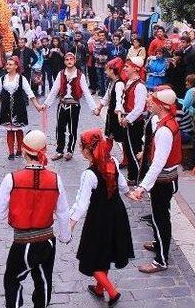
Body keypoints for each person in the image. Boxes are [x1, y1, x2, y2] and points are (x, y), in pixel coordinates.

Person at [0, 130, 71, 308]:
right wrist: (65, 236)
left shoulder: (11, 179)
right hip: (47, 241)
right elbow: (63, 212)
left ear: (23, 151)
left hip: (22, 241)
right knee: (43, 282)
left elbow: (0, 212)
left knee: (12, 280)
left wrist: (17, 216)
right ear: (44, 150)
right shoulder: (55, 179)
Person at [69, 128, 134, 306]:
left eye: (81, 147)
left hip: (99, 218)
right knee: (104, 252)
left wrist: (71, 223)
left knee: (91, 257)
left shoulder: (89, 174)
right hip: (117, 213)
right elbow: (122, 185)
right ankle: (99, 288)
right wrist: (130, 194)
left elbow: (81, 204)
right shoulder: (112, 161)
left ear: (87, 150)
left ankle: (112, 292)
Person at [131, 86, 181, 273]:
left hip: (163, 181)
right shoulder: (165, 123)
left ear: (162, 105)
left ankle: (161, 260)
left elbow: (158, 163)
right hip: (166, 178)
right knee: (160, 216)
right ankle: (158, 243)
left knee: (160, 218)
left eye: (153, 102)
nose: (150, 103)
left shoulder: (164, 130)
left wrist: (142, 187)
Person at [42, 52, 97, 161]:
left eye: (71, 59)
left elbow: (86, 92)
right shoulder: (61, 74)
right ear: (64, 62)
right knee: (60, 128)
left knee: (72, 129)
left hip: (74, 105)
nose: (69, 61)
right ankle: (59, 150)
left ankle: (70, 150)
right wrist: (46, 104)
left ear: (74, 61)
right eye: (67, 60)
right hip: (62, 104)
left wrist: (94, 108)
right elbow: (54, 90)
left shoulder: (80, 75)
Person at [0, 57, 42, 160]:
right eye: (7, 64)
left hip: (19, 107)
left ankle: (19, 150)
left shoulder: (21, 79)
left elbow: (30, 93)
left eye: (10, 64)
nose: (8, 66)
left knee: (19, 130)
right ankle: (11, 152)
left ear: (16, 66)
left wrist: (37, 105)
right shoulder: (3, 79)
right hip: (6, 108)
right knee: (9, 130)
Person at [120, 57, 148, 185]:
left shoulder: (140, 86)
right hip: (129, 120)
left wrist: (128, 119)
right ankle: (133, 174)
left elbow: (139, 108)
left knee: (134, 149)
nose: (125, 68)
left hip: (135, 123)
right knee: (129, 148)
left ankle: (137, 175)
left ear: (135, 68)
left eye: (127, 66)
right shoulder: (129, 82)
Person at [94, 58, 125, 145]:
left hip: (117, 116)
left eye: (106, 70)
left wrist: (119, 115)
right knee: (109, 137)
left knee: (121, 139)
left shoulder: (119, 84)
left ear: (112, 70)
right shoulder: (112, 82)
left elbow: (119, 101)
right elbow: (107, 97)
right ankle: (104, 156)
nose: (105, 72)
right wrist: (99, 108)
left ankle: (125, 158)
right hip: (111, 114)